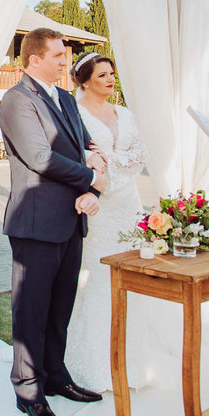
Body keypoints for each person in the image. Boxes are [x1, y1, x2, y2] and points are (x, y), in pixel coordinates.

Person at [0, 28, 107, 416]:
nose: (66, 61)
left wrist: (94, 162)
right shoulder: (16, 99)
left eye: (66, 55)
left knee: (61, 305)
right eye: (60, 55)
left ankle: (56, 376)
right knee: (31, 311)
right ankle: (27, 390)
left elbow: (84, 142)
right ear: (35, 58)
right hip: (35, 222)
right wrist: (91, 178)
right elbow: (40, 158)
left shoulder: (63, 97)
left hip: (70, 219)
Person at [62, 53, 156, 392]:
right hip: (95, 205)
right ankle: (92, 365)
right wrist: (101, 177)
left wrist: (111, 168)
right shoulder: (75, 112)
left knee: (131, 278)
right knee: (98, 279)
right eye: (102, 75)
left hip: (128, 203)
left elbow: (140, 155)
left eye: (111, 73)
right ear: (85, 80)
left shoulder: (126, 114)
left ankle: (132, 361)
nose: (110, 79)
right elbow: (80, 155)